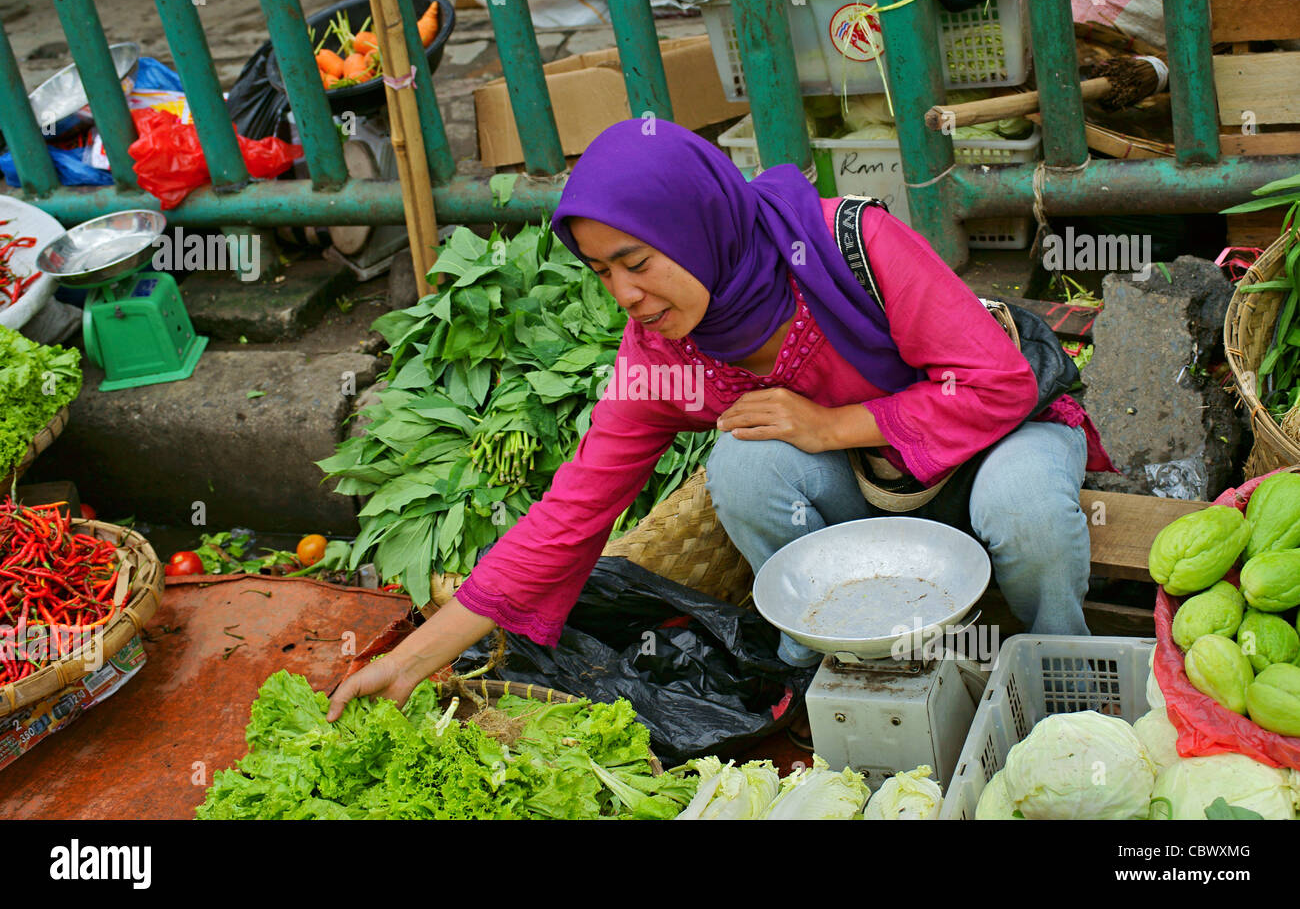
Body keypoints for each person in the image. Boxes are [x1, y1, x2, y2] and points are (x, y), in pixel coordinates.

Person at [327, 118, 1118, 720]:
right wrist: (415, 658)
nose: (624, 295)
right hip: (884, 492)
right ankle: (833, 672)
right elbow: (575, 509)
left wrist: (829, 426)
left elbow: (999, 384)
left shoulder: (849, 243)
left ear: (699, 224)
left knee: (1022, 514)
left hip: (996, 442)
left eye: (637, 262)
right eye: (603, 272)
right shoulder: (662, 354)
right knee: (743, 463)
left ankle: (1069, 683)